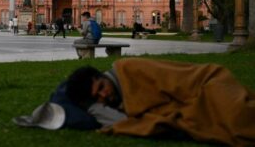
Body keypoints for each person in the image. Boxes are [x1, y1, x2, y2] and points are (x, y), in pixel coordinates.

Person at [63, 58, 255, 146]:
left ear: (102, 75)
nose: (104, 95)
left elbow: (178, 80)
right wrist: (93, 106)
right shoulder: (115, 102)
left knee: (238, 115)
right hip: (190, 104)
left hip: (208, 82)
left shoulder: (129, 69)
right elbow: (122, 120)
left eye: (101, 87)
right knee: (215, 123)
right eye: (98, 98)